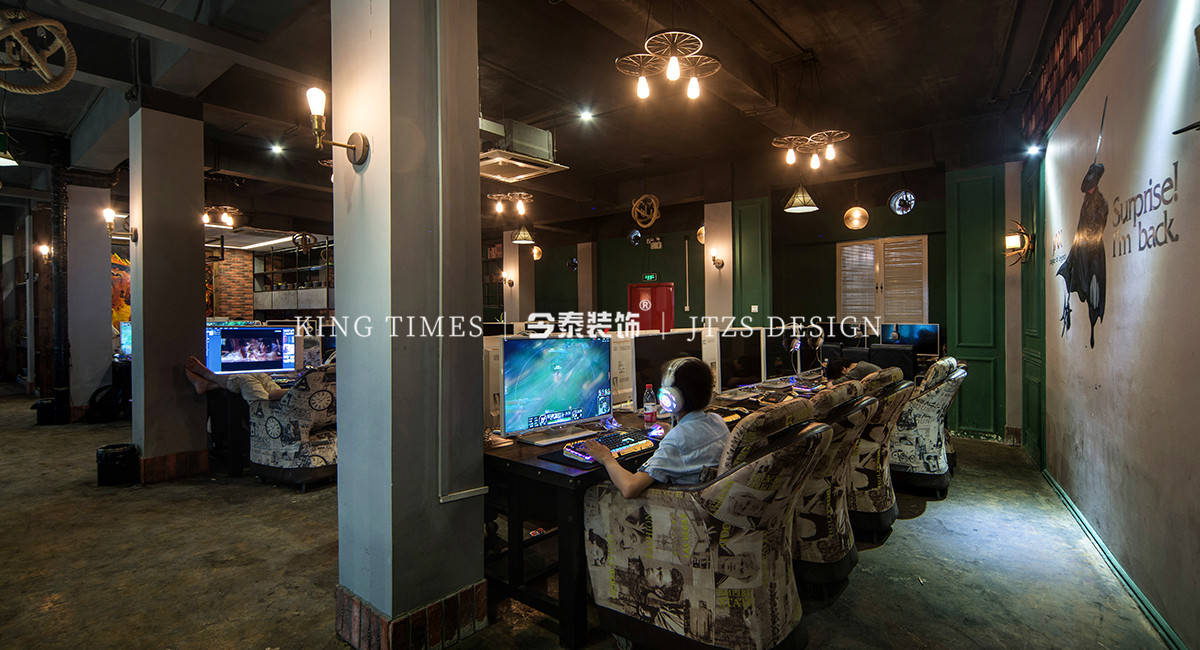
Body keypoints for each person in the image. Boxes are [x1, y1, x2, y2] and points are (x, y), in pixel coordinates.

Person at [582, 357, 727, 499]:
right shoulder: (717, 421)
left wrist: (606, 458)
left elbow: (629, 488)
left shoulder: (677, 440)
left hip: (680, 507)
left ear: (670, 396)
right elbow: (691, 443)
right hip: (715, 503)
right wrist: (671, 431)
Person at [184, 356, 287, 402]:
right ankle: (209, 384)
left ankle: (210, 376)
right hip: (288, 401)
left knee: (244, 379)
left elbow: (273, 395)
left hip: (283, 411)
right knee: (259, 375)